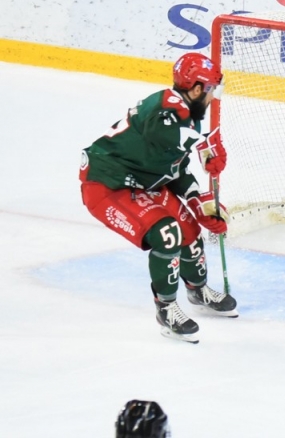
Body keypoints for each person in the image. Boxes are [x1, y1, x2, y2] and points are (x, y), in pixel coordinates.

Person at [79, 52, 237, 343]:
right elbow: (162, 133)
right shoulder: (166, 105)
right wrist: (205, 145)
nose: (213, 97)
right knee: (167, 233)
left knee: (189, 227)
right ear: (198, 88)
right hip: (107, 185)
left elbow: (174, 168)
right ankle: (166, 310)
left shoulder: (187, 115)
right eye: (212, 89)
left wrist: (199, 202)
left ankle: (197, 289)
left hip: (144, 181)